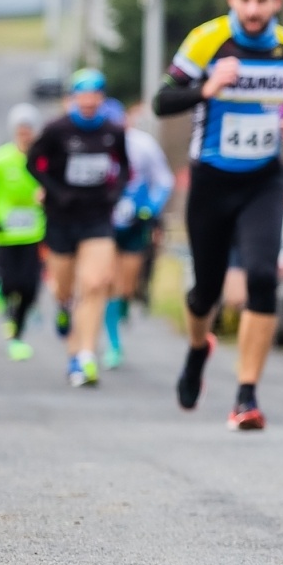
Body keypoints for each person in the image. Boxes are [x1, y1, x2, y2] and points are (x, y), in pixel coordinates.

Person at [154, 0, 283, 430]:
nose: (253, 10)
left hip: (263, 179)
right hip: (211, 180)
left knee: (262, 276)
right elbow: (162, 101)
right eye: (244, 0)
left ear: (278, 1)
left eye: (262, 0)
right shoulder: (206, 42)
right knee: (205, 291)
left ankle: (246, 397)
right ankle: (199, 349)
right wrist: (206, 87)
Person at [27, 70, 130, 386]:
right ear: (73, 98)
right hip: (61, 218)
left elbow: (125, 166)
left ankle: (84, 357)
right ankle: (62, 309)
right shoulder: (57, 130)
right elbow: (32, 163)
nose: (88, 101)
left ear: (102, 99)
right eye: (82, 95)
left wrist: (116, 193)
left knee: (96, 284)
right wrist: (56, 192)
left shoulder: (113, 131)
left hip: (97, 217)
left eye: (94, 95)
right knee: (65, 289)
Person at [104, 101, 174, 368]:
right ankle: (114, 344)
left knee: (127, 286)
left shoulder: (143, 145)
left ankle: (122, 308)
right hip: (105, 225)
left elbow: (164, 181)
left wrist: (150, 208)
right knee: (109, 281)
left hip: (135, 223)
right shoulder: (97, 144)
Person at [0, 103, 48, 361]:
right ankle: (2, 298)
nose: (25, 134)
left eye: (29, 129)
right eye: (21, 129)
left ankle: (17, 333)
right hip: (5, 233)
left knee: (29, 288)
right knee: (10, 283)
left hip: (33, 232)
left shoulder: (43, 159)